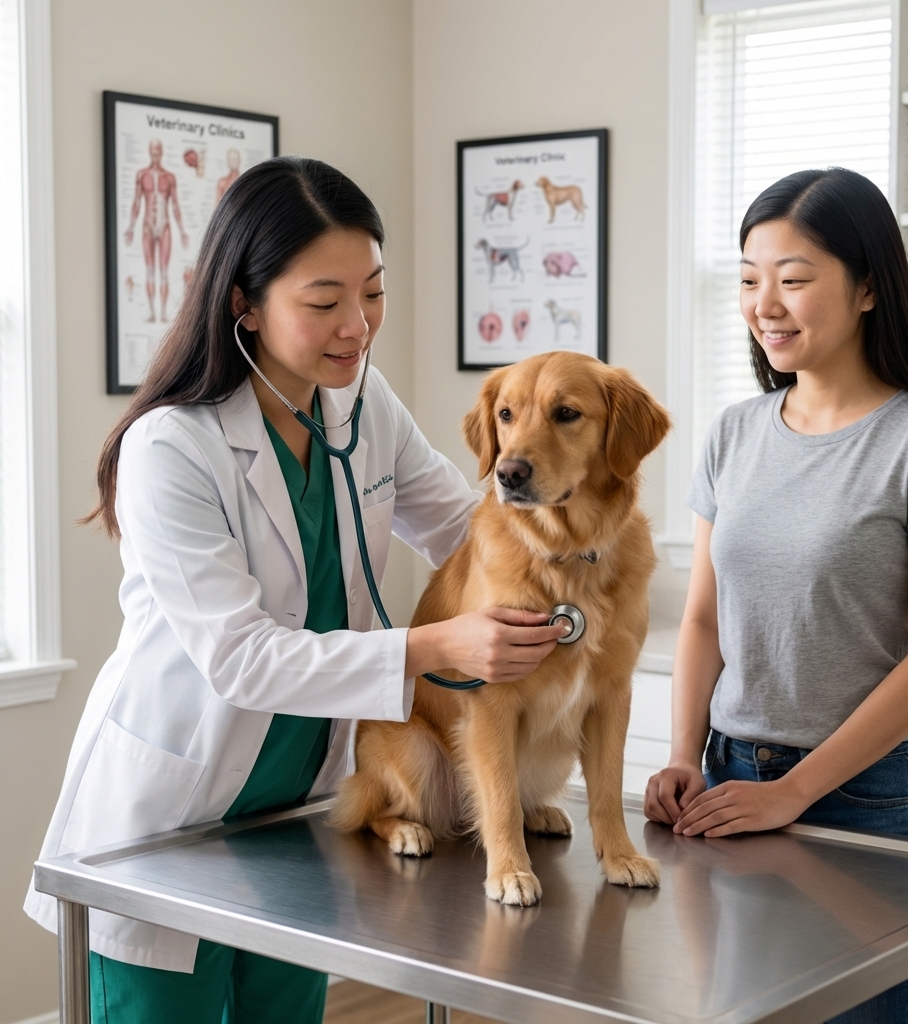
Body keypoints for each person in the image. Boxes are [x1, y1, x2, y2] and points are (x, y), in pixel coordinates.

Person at [26, 157, 568, 1024]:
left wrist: (573, 518)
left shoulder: (362, 406)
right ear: (245, 301)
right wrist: (433, 648)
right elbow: (239, 659)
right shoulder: (170, 448)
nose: (358, 326)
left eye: (374, 293)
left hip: (293, 821)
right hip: (171, 824)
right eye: (324, 302)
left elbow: (465, 526)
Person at [644, 167, 908, 1024]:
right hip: (727, 778)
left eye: (794, 280)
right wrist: (684, 755)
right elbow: (702, 621)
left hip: (868, 797)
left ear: (869, 287)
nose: (767, 305)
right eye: (750, 281)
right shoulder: (734, 432)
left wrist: (794, 793)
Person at [124, 139, 190, 323]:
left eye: (158, 151)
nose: (155, 154)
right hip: (147, 225)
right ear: (149, 151)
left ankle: (162, 313)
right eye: (153, 151)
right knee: (150, 270)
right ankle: (153, 312)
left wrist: (183, 230)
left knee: (163, 271)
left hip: (165, 225)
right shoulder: (141, 175)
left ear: (161, 152)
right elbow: (136, 202)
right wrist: (130, 227)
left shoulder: (169, 177)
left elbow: (176, 205)